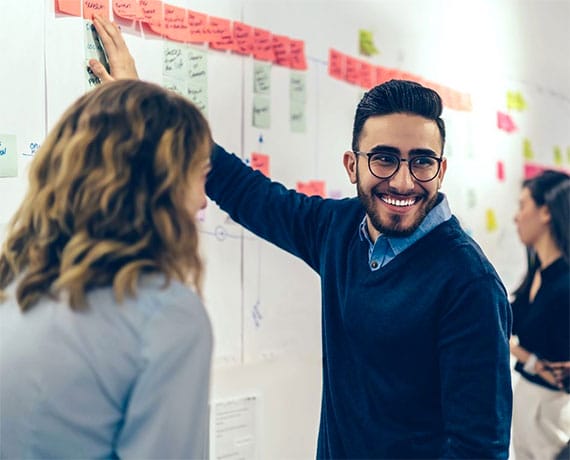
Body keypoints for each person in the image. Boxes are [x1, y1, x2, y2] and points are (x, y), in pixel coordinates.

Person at [89, 15, 513, 458]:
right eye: (384, 159)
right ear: (352, 165)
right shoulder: (341, 229)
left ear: (441, 169)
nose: (404, 182)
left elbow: (479, 449)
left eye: (422, 161)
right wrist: (142, 106)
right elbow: (248, 192)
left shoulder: (469, 284)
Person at [0, 79, 214, 458]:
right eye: (200, 174)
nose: (202, 200)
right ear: (159, 187)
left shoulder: (13, 287)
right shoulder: (166, 316)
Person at [510, 170, 570, 459]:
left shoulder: (565, 283)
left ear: (545, 212)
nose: (516, 217)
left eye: (523, 206)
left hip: (555, 416)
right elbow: (505, 327)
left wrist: (522, 354)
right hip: (527, 407)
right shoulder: (535, 276)